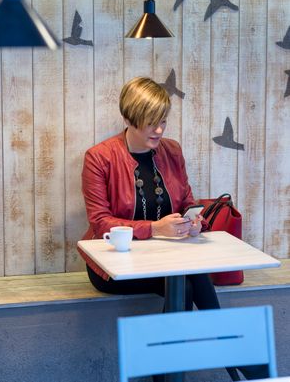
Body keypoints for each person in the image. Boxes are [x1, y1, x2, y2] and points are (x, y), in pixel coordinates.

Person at [78, 76, 268, 381]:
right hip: (116, 264)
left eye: (163, 121)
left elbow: (187, 202)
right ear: (128, 118)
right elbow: (100, 222)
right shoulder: (99, 158)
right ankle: (238, 357)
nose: (159, 130)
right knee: (189, 281)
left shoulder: (171, 151)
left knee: (189, 278)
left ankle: (167, 373)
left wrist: (194, 223)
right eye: (150, 122)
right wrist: (155, 228)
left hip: (170, 257)